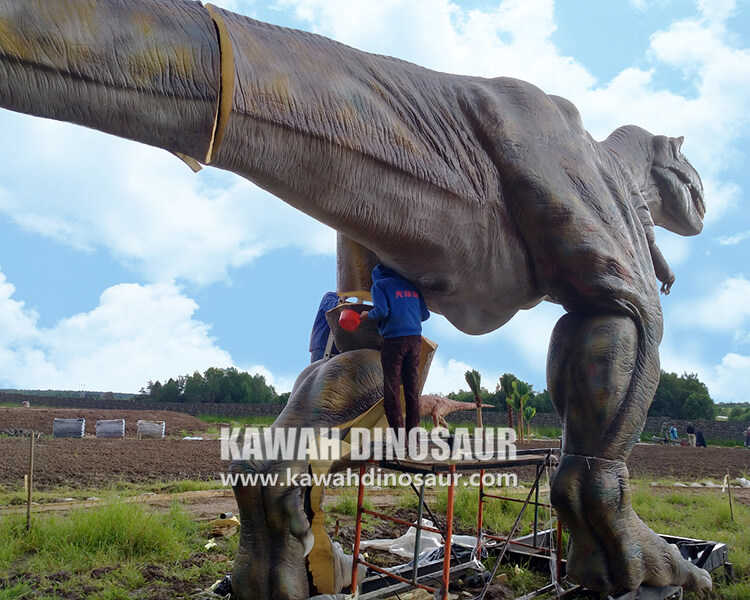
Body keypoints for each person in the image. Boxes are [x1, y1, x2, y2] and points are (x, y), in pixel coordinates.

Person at [361, 264, 430, 434]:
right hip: (415, 340)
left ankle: (399, 440)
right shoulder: (411, 285)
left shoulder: (379, 285)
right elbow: (425, 315)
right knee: (412, 389)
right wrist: (408, 314)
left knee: (392, 389)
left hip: (393, 341)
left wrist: (366, 315)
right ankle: (413, 437)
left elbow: (381, 311)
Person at [309, 291, 340, 363]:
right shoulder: (330, 296)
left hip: (336, 350)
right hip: (321, 347)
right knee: (318, 372)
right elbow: (334, 308)